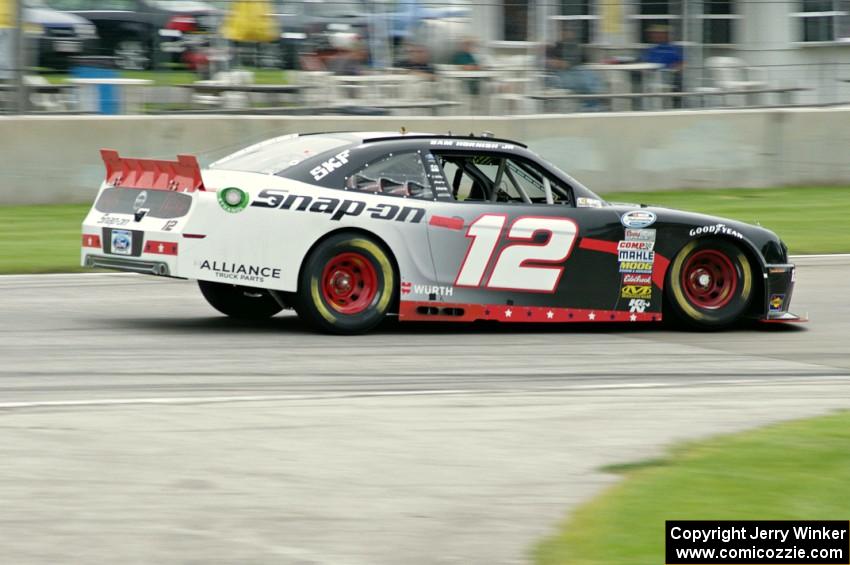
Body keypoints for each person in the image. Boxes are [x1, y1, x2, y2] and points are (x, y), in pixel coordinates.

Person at [545, 24, 604, 109]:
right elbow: (550, 62)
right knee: (585, 81)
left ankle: (592, 103)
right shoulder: (555, 47)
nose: (567, 34)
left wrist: (569, 63)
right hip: (562, 74)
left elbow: (584, 58)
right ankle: (592, 104)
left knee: (590, 78)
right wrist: (557, 63)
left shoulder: (574, 45)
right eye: (564, 32)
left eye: (569, 32)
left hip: (575, 71)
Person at [640, 24, 684, 100]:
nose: (654, 36)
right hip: (652, 78)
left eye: (658, 34)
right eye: (653, 34)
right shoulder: (651, 49)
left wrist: (672, 70)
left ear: (666, 35)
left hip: (668, 79)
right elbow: (644, 63)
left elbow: (682, 64)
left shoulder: (674, 49)